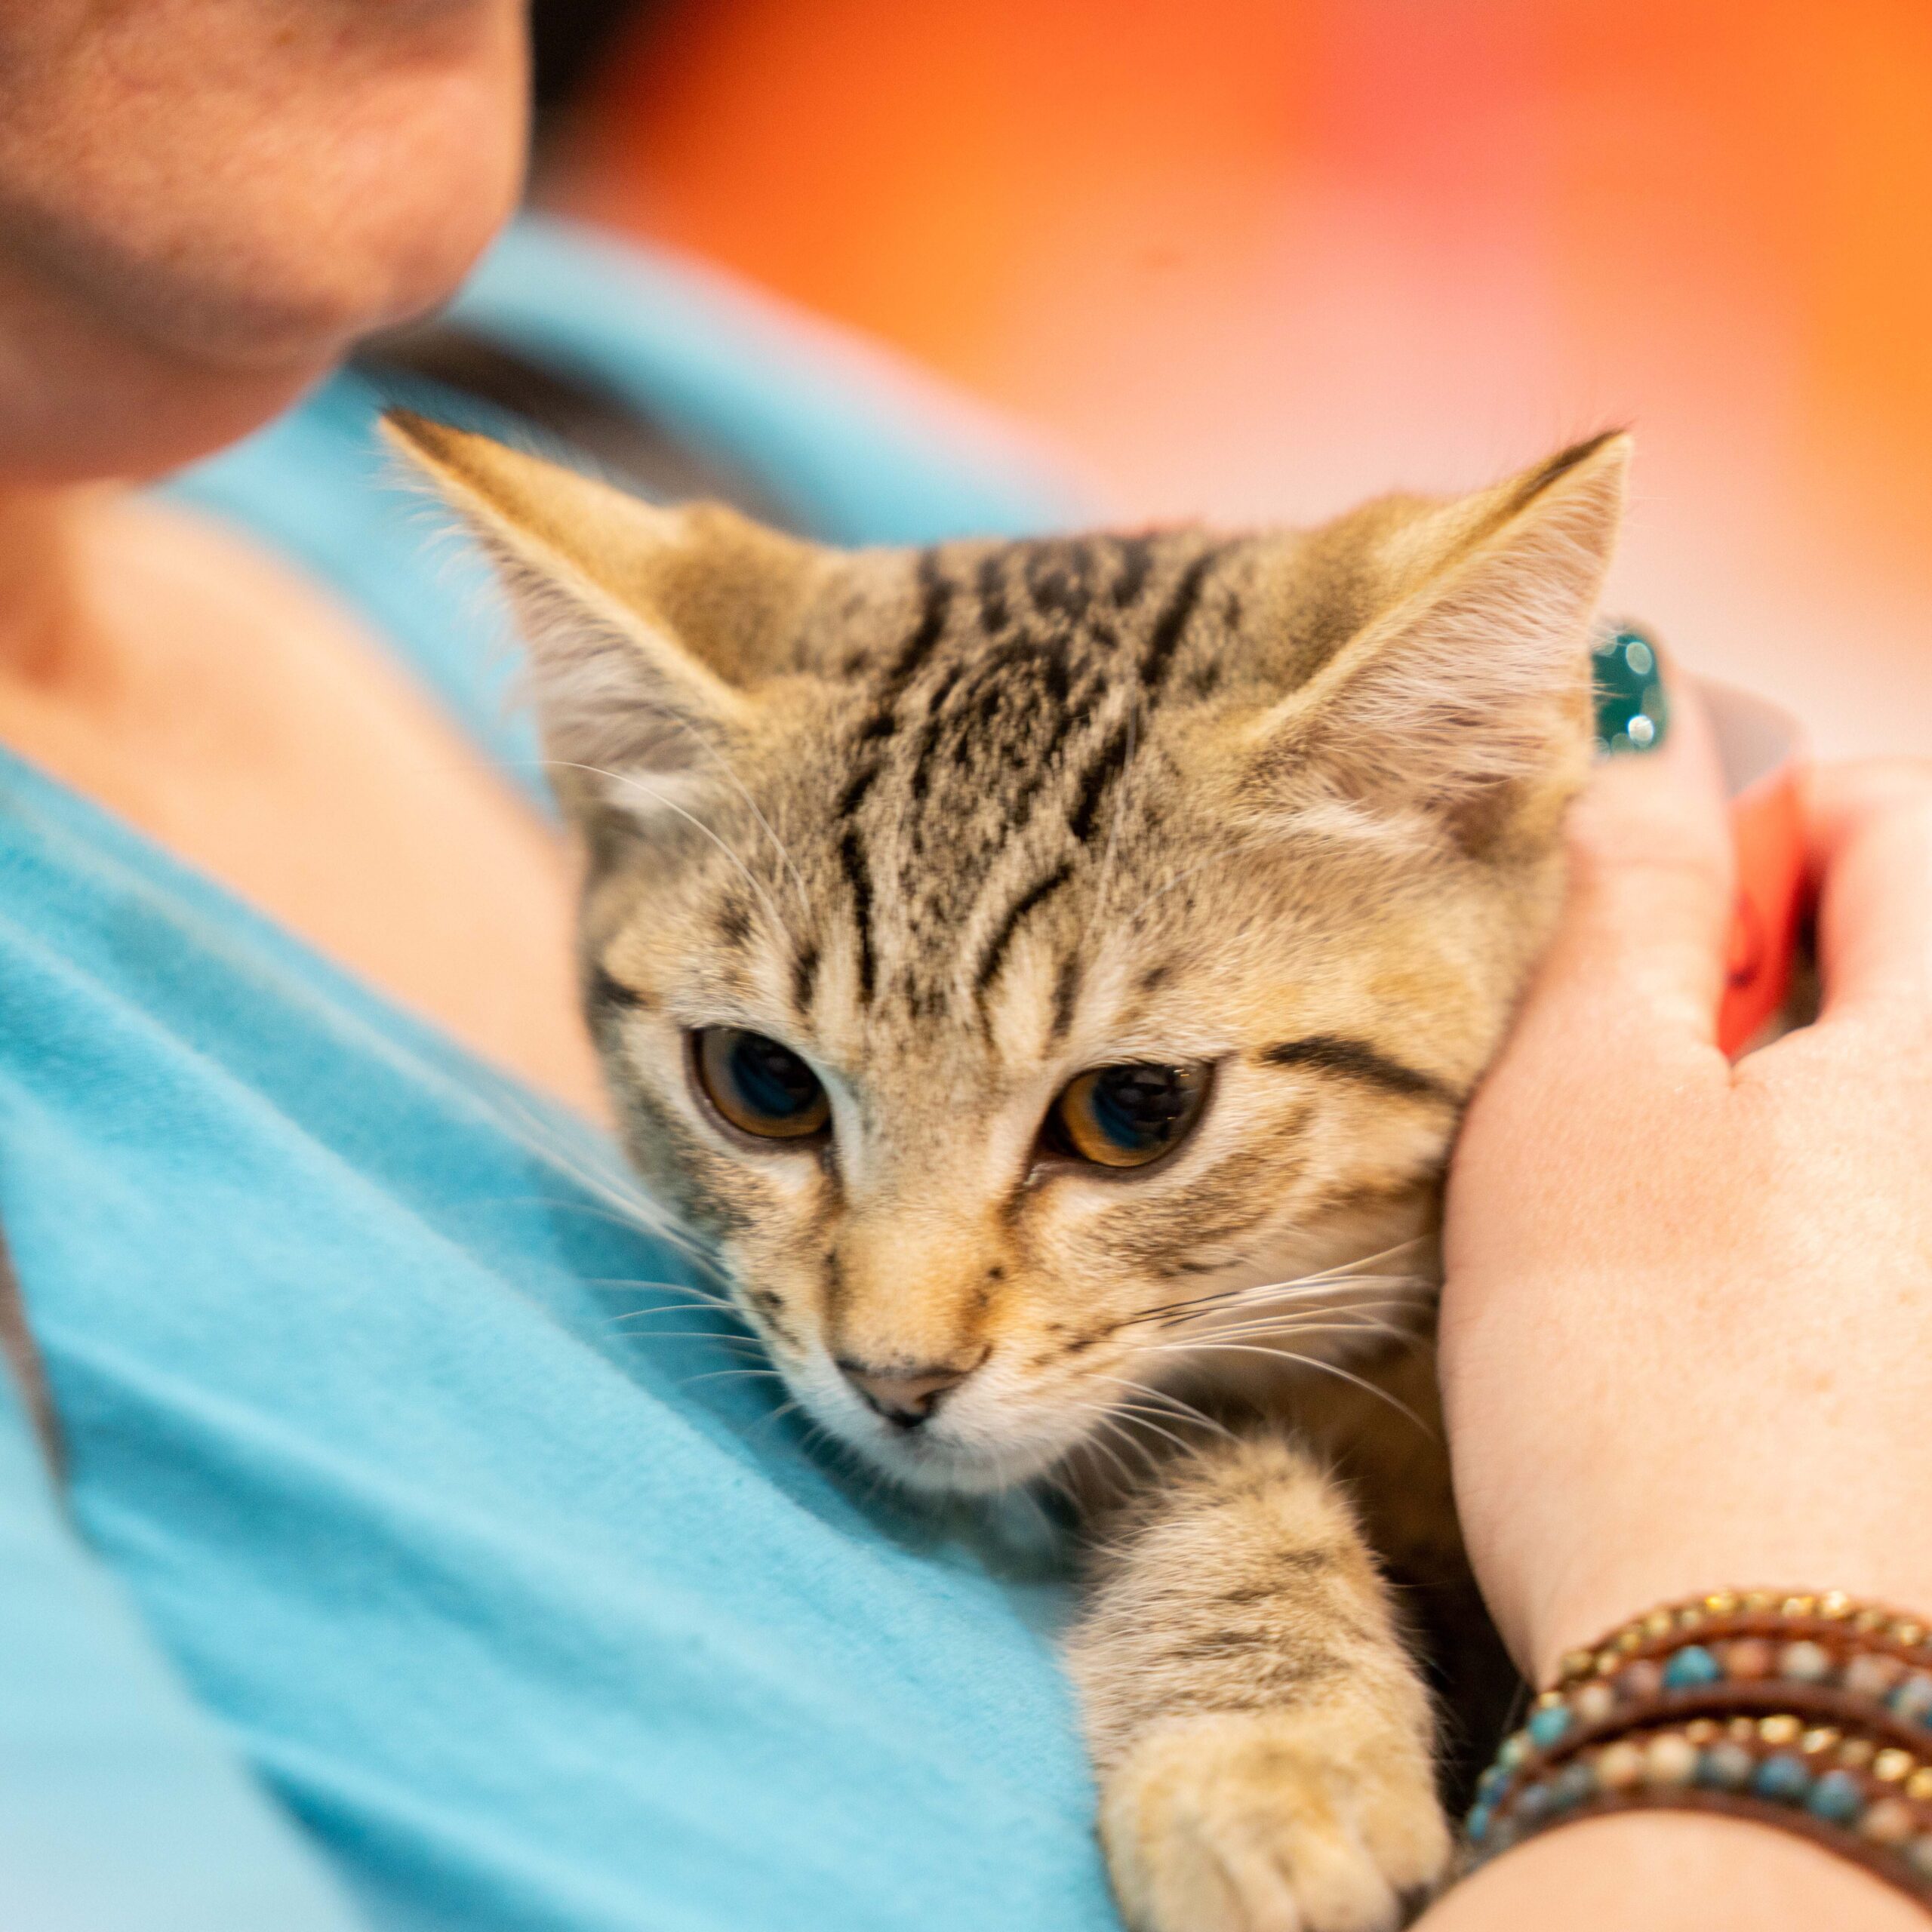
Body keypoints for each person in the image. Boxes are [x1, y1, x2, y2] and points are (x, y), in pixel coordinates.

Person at [0, 4, 1926, 1927]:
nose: (898, 1335)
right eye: (768, 1086)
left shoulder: (618, 389)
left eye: (1123, 1105)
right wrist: (1759, 1634)